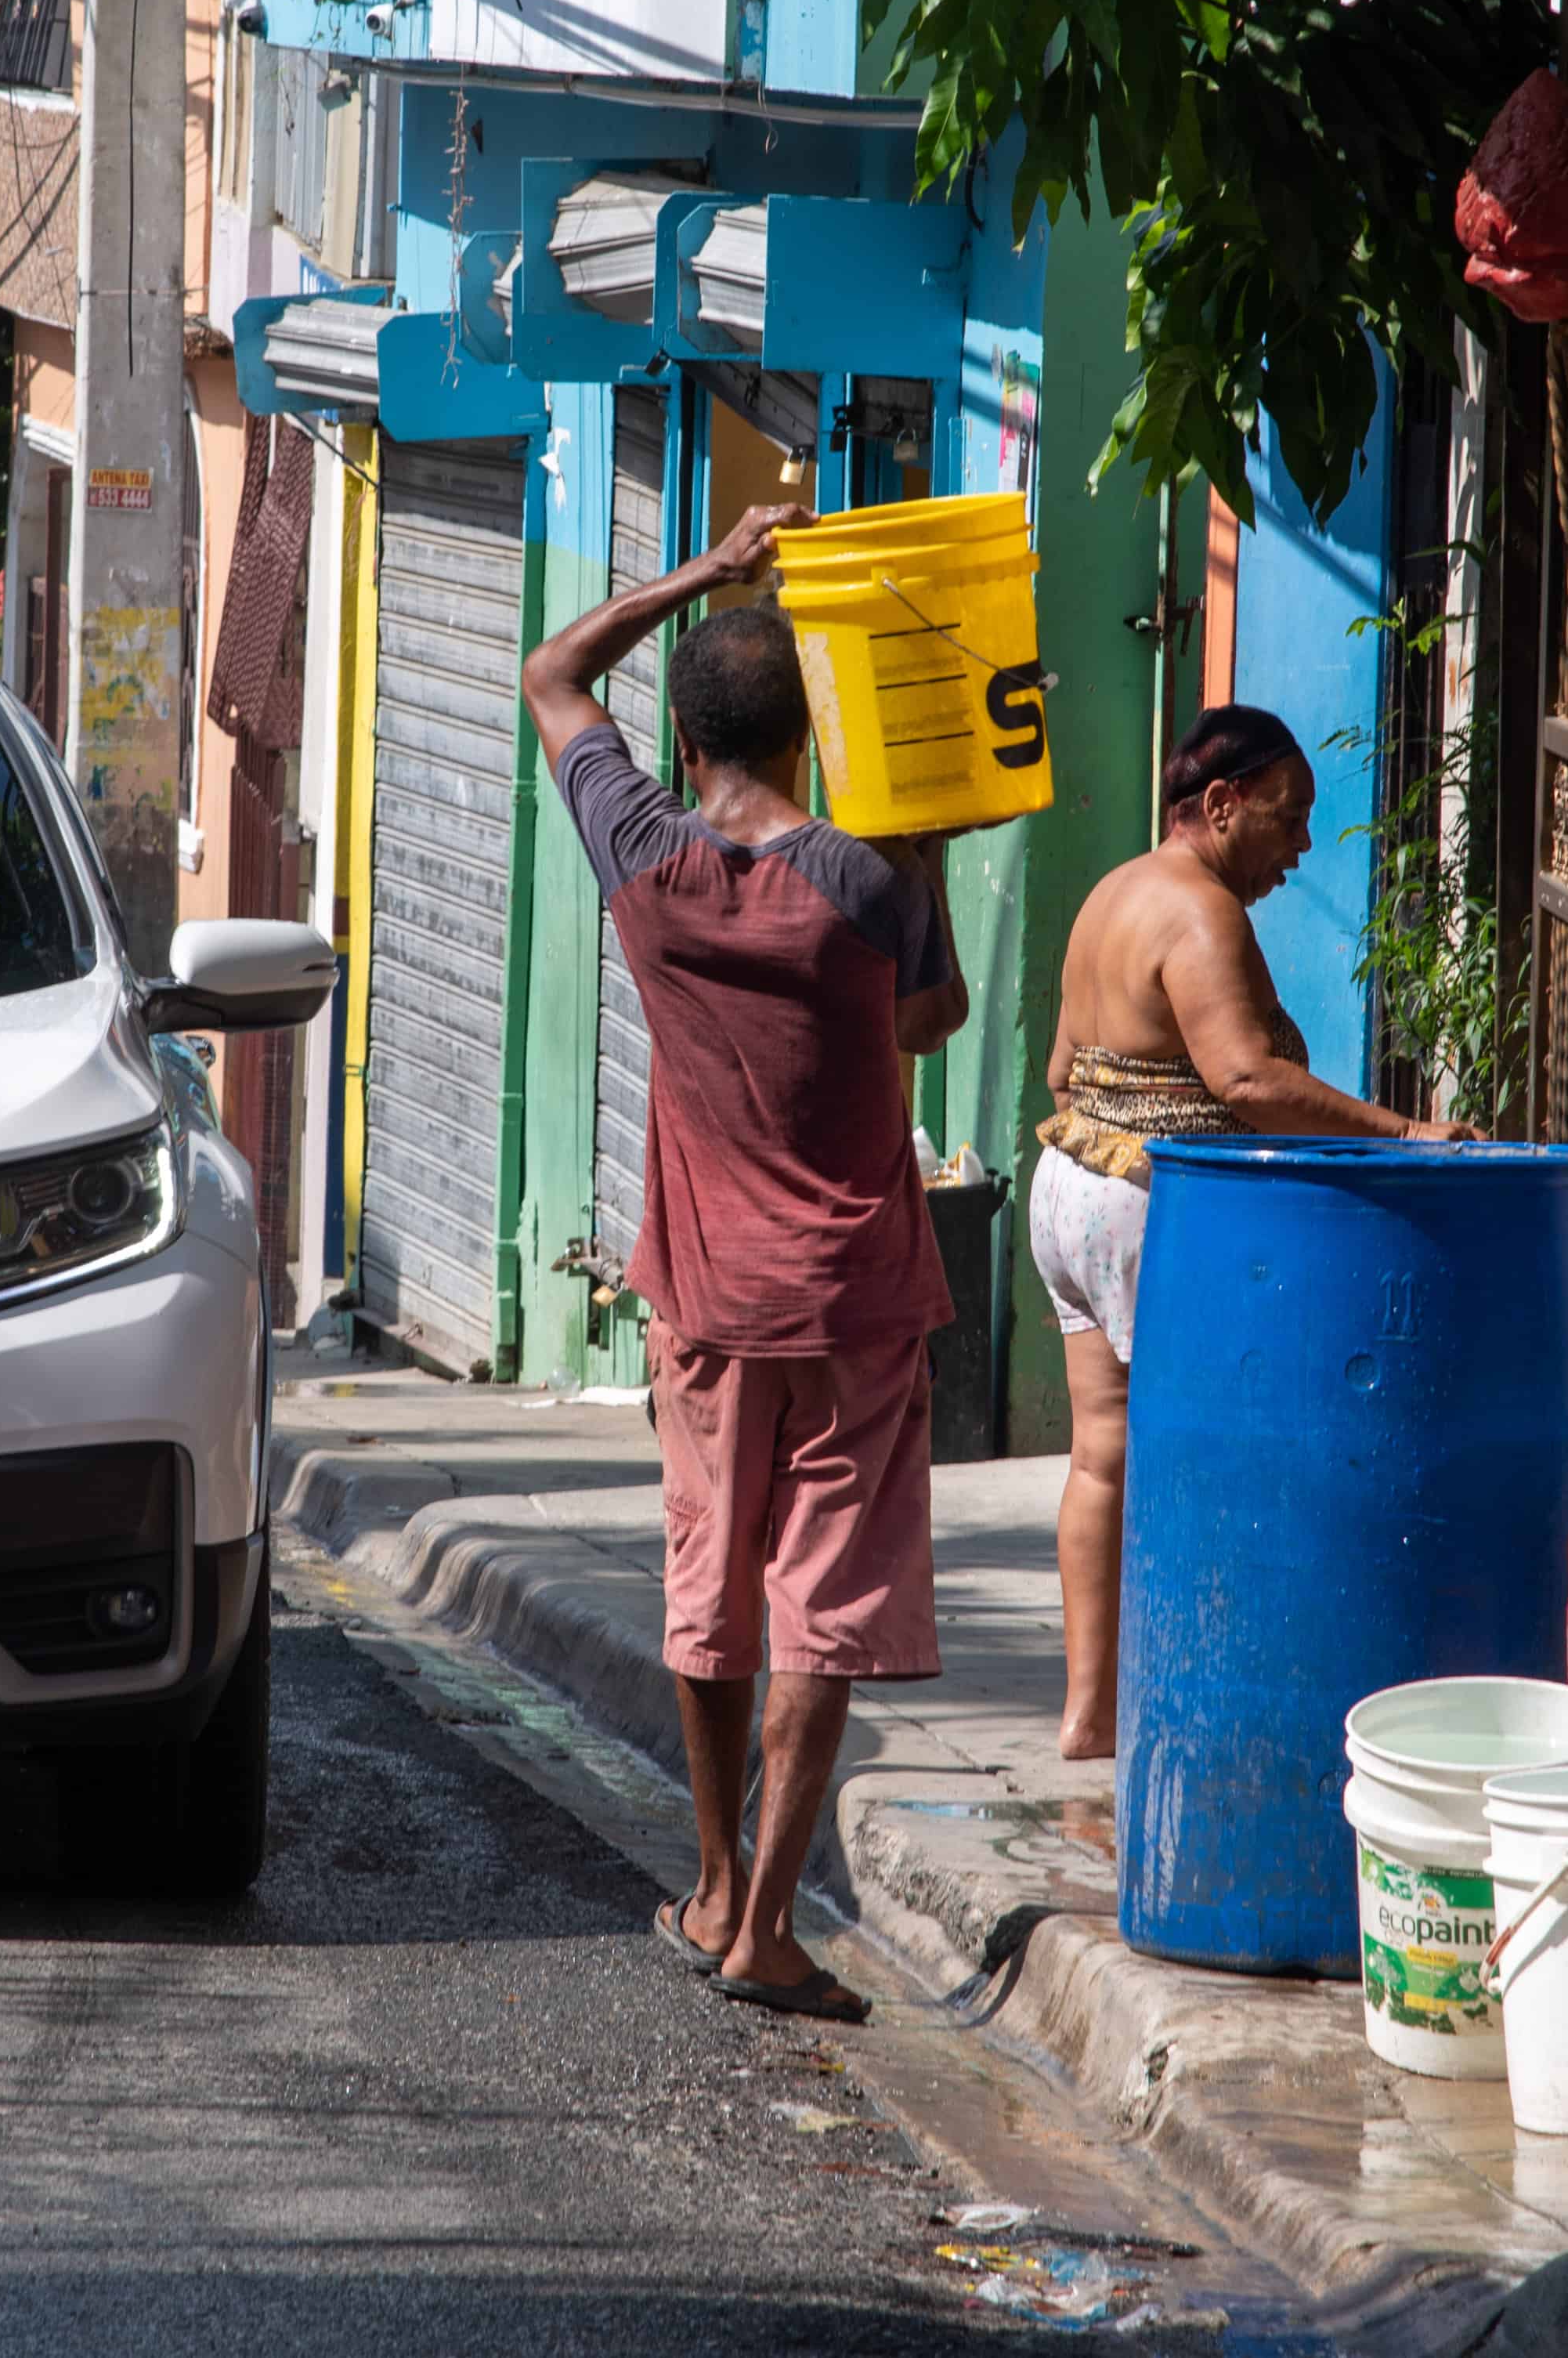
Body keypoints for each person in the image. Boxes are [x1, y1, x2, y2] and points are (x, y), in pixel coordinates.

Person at [522, 501, 969, 2026]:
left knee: (709, 1585)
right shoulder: (857, 882)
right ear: (804, 731)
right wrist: (922, 849)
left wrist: (707, 571)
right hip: (853, 1296)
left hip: (703, 1297)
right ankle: (764, 1924)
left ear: (687, 734)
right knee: (819, 1605)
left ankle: (709, 1880)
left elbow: (549, 669)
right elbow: (931, 1019)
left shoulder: (640, 858)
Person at [1031, 703, 1478, 1759]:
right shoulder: (1198, 913)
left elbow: (1059, 1072)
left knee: (1102, 1454)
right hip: (1142, 1204)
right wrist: (1406, 1133)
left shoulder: (1112, 892)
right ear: (1220, 804)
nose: (1301, 843)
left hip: (1067, 1188)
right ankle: (1192, 1698)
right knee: (1197, 1452)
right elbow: (1242, 1078)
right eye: (1287, 815)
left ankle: (1088, 1714)